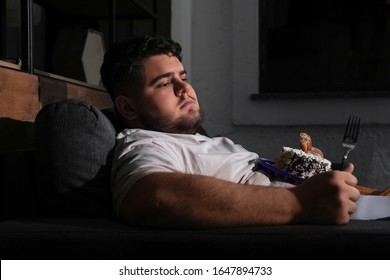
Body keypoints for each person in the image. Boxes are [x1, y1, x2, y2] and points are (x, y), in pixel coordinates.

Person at [100, 34, 360, 229]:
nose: (184, 89)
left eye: (184, 77)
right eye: (166, 83)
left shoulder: (202, 140)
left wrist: (300, 172)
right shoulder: (145, 144)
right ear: (128, 107)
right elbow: (152, 197)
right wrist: (299, 202)